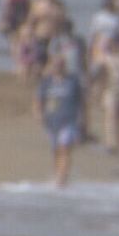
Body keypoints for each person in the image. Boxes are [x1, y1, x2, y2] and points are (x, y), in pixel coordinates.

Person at [35, 55, 83, 188]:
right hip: (51, 122)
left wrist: (83, 121)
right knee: (56, 150)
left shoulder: (72, 82)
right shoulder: (47, 82)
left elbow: (82, 103)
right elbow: (39, 100)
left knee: (65, 148)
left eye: (60, 65)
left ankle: (62, 179)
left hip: (69, 121)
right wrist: (39, 115)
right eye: (55, 65)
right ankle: (58, 175)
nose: (58, 68)